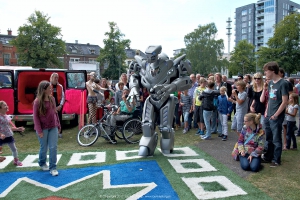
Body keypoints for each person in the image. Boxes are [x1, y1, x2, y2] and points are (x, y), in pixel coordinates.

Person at [262, 62, 288, 167]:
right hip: (268, 115)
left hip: (276, 116)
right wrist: (266, 112)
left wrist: (276, 115)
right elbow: (270, 99)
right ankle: (268, 156)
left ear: (273, 70)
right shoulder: (271, 83)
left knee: (276, 138)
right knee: (268, 138)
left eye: (266, 70)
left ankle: (276, 159)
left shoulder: (283, 83)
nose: (265, 73)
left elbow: (285, 101)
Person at [33, 81, 61, 176]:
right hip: (42, 128)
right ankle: (42, 162)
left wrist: (58, 124)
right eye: (49, 88)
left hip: (53, 126)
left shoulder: (52, 99)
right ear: (44, 90)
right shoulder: (37, 102)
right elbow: (35, 117)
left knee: (53, 147)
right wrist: (39, 130)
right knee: (44, 147)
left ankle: (53, 167)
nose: (51, 89)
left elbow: (55, 112)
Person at [0, 101, 24, 166]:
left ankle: (16, 160)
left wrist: (17, 129)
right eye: (4, 105)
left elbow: (8, 128)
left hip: (8, 135)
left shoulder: (6, 116)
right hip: (1, 136)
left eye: (6, 105)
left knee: (14, 148)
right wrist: (1, 134)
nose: (6, 106)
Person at [50, 73, 65, 138]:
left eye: (57, 77)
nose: (56, 79)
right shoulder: (48, 85)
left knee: (59, 119)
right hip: (50, 106)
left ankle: (60, 132)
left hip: (58, 105)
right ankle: (51, 133)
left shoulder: (60, 86)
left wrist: (60, 105)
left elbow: (63, 97)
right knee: (51, 119)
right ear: (51, 78)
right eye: (55, 77)